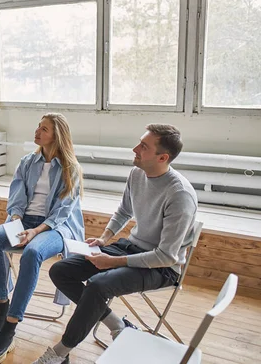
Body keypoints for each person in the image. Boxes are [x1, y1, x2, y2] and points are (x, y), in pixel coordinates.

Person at [33, 124, 198, 364]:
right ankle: (118, 326)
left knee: (98, 285)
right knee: (61, 270)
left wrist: (112, 261)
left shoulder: (180, 195)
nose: (135, 149)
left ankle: (59, 353)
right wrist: (104, 238)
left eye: (143, 146)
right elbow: (124, 210)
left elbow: (166, 256)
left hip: (162, 267)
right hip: (131, 247)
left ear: (163, 158)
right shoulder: (138, 173)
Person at [0, 113, 85, 364]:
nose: (37, 132)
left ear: (57, 135)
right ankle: (2, 306)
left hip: (56, 228)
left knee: (32, 253)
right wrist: (17, 223)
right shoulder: (28, 162)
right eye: (38, 126)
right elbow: (16, 198)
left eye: (44, 129)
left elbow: (63, 211)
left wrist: (36, 232)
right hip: (25, 221)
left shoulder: (71, 168)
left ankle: (10, 325)